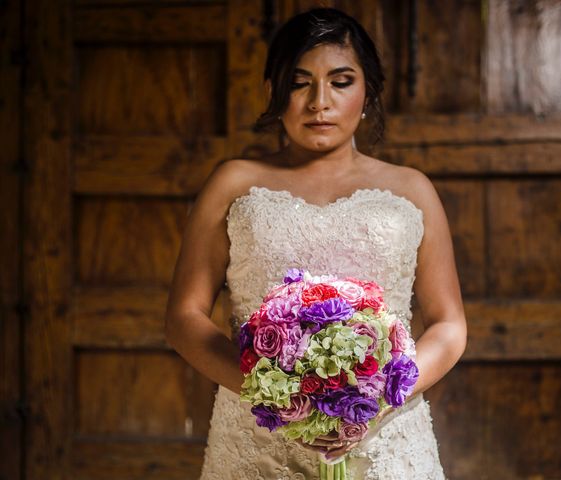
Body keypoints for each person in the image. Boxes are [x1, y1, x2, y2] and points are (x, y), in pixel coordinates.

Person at [164, 7, 466, 480]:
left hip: (384, 434)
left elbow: (448, 324)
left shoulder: (412, 190)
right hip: (256, 437)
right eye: (300, 82)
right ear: (273, 91)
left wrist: (377, 398)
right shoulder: (234, 184)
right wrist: (279, 396)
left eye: (341, 81)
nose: (319, 102)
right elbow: (184, 318)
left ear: (367, 93)